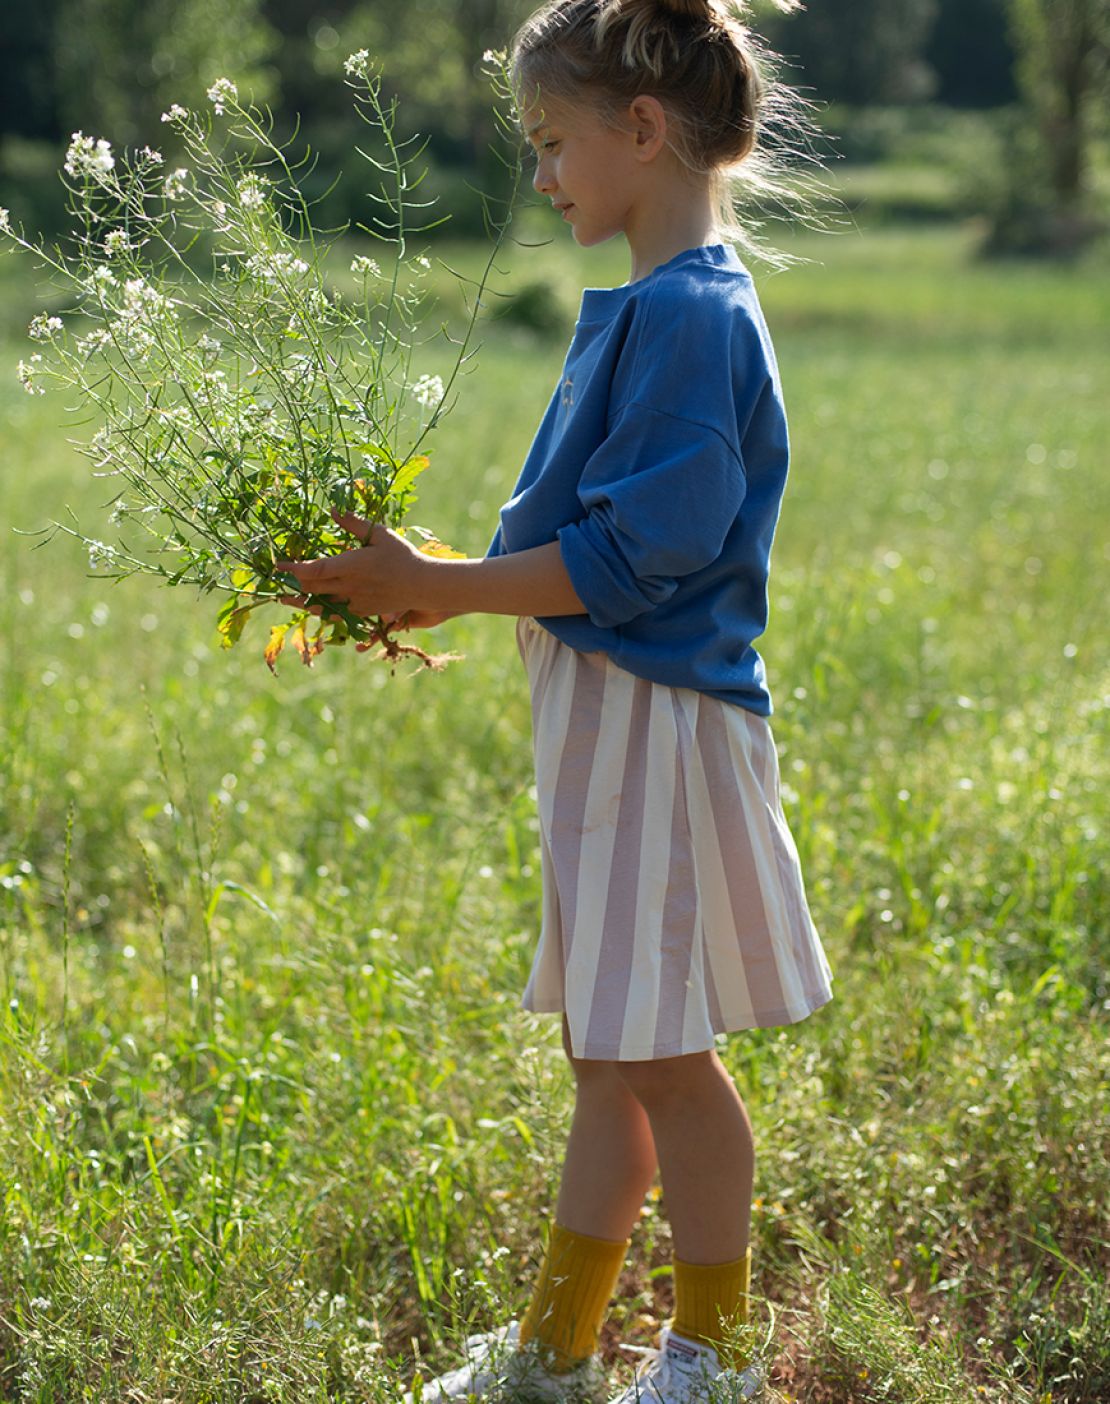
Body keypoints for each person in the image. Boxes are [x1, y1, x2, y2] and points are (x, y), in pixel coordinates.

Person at [279, 1, 833, 1399]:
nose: (539, 176)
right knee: (610, 1053)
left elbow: (642, 557)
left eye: (549, 142)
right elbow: (597, 541)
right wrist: (437, 587)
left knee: (665, 1060)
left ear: (641, 130)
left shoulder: (692, 316)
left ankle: (712, 1358)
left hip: (658, 723)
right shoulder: (656, 305)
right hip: (610, 721)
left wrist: (446, 585)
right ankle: (554, 1353)